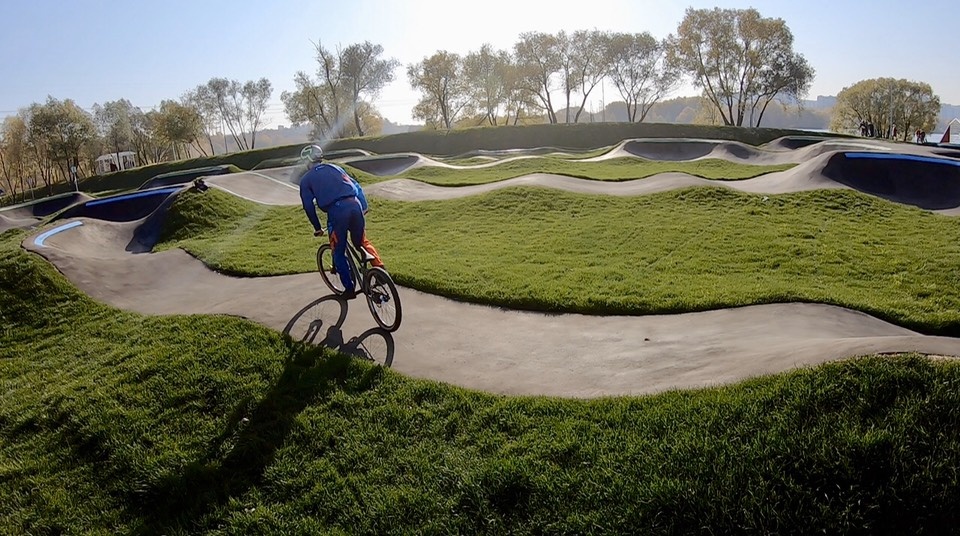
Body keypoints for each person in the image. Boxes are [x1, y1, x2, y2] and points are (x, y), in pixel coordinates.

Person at [297, 144, 384, 299]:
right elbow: (356, 185)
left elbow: (308, 206)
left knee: (338, 251)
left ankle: (349, 289)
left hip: (337, 212)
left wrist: (317, 227)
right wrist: (363, 206)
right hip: (355, 205)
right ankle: (379, 269)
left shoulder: (307, 180)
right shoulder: (335, 168)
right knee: (361, 241)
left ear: (307, 161)